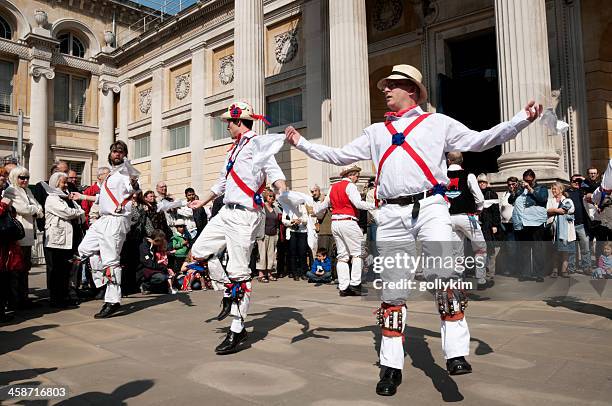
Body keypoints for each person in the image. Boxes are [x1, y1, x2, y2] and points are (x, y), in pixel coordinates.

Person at [285, 63, 542, 396]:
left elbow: (481, 141)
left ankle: (455, 353)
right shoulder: (375, 132)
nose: (385, 90)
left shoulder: (438, 123)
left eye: (391, 85)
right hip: (391, 214)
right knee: (393, 292)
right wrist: (302, 143)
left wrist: (521, 119)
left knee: (445, 275)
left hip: (431, 207)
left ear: (411, 89)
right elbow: (338, 155)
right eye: (386, 86)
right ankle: (391, 367)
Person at [187, 101, 287, 355]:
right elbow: (222, 181)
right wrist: (204, 201)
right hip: (225, 213)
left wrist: (283, 192)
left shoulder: (258, 144)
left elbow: (274, 171)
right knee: (198, 251)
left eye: (228, 123)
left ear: (239, 121)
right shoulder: (234, 149)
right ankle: (229, 294)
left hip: (245, 216)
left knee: (240, 273)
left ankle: (238, 326)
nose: (227, 127)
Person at [71, 140, 139, 319]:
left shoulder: (125, 172)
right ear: (110, 154)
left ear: (124, 154)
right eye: (114, 151)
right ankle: (103, 281)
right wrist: (82, 195)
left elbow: (133, 187)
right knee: (84, 249)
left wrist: (134, 183)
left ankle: (112, 300)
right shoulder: (110, 175)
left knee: (111, 261)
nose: (117, 153)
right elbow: (102, 197)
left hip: (116, 220)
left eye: (120, 151)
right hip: (103, 220)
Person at [314, 165, 374, 296]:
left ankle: (343, 286)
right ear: (350, 175)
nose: (357, 178)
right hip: (348, 221)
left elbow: (324, 205)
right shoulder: (350, 186)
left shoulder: (333, 187)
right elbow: (358, 204)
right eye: (356, 175)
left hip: (335, 223)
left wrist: (315, 210)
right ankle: (355, 284)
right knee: (358, 253)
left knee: (342, 256)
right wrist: (374, 205)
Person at [3, 167, 44, 309]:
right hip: (18, 235)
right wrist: (34, 209)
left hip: (28, 233)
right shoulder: (11, 191)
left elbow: (39, 208)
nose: (25, 180)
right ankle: (15, 300)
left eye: (27, 177)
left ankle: (23, 298)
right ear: (15, 177)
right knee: (16, 269)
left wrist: (34, 209)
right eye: (22, 177)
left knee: (25, 268)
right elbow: (25, 209)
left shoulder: (28, 191)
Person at [446, 152, 487, 290]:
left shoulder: (442, 175)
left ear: (448, 160)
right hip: (467, 217)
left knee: (457, 252)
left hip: (449, 218)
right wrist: (479, 209)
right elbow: (479, 198)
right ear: (462, 160)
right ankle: (480, 278)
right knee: (480, 248)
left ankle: (458, 280)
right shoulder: (469, 175)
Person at [44, 172, 85, 307]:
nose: (66, 184)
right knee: (57, 271)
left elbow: (80, 210)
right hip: (56, 240)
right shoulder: (52, 198)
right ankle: (56, 299)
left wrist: (78, 212)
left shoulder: (68, 197)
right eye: (63, 182)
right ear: (56, 183)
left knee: (66, 270)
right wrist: (78, 212)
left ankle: (64, 296)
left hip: (68, 239)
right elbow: (67, 213)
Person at [509, 169, 549, 282]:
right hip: (523, 221)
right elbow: (510, 200)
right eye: (525, 180)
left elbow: (543, 199)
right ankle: (525, 273)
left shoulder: (542, 188)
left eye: (530, 181)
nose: (527, 182)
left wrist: (530, 189)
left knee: (538, 248)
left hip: (537, 221)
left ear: (534, 179)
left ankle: (539, 274)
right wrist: (513, 190)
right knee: (524, 248)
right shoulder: (520, 190)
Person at [546, 182, 575, 278]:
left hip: (565, 230)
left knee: (565, 250)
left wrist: (554, 210)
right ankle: (554, 270)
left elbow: (570, 210)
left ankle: (564, 271)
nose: (553, 191)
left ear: (561, 190)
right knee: (555, 250)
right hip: (554, 229)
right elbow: (547, 210)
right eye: (552, 189)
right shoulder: (550, 200)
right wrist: (557, 210)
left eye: (555, 189)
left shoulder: (568, 200)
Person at [477, 174, 502, 286]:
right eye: (480, 182)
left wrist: (495, 225)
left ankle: (490, 273)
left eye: (484, 182)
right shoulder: (476, 194)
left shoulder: (491, 193)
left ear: (487, 183)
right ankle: (482, 272)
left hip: (489, 225)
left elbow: (496, 211)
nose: (482, 184)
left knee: (491, 249)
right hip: (479, 226)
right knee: (481, 249)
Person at [137, 229, 177, 294]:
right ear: (156, 240)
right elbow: (149, 263)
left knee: (167, 277)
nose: (161, 243)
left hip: (154, 269)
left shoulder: (155, 246)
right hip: (144, 271)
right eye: (161, 241)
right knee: (162, 278)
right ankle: (145, 285)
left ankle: (152, 288)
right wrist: (163, 267)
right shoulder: (144, 247)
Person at [567, 174, 592, 274]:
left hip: (581, 224)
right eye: (574, 181)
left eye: (578, 181)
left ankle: (586, 267)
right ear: (570, 182)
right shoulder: (566, 192)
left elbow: (592, 188)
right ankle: (571, 268)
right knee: (571, 249)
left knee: (585, 247)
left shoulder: (582, 191)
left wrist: (583, 180)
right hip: (570, 224)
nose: (577, 182)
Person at [256, 190, 280, 282]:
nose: (272, 198)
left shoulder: (275, 208)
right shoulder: (261, 208)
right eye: (270, 196)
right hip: (263, 234)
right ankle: (261, 275)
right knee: (262, 255)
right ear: (266, 197)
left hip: (273, 234)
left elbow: (279, 220)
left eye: (273, 196)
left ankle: (269, 274)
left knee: (271, 255)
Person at [282, 203, 309, 281]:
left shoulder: (303, 207)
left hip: (302, 231)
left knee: (302, 252)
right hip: (292, 231)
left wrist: (300, 220)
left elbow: (306, 219)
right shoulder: (287, 207)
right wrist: (291, 221)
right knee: (293, 253)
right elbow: (284, 220)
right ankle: (294, 273)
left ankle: (303, 272)